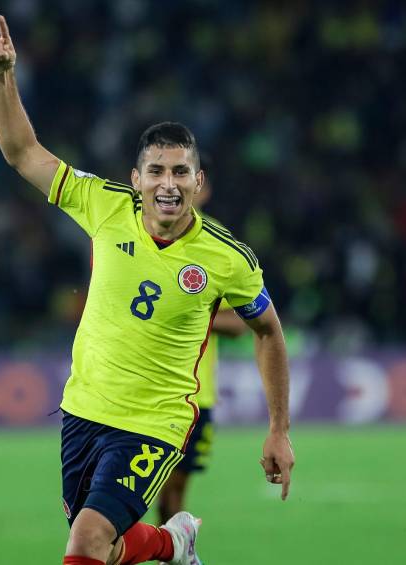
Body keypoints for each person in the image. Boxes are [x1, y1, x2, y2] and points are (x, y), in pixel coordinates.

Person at [0, 16, 294, 565]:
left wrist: (279, 430)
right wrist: (4, 78)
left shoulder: (227, 257)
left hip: (154, 422)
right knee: (102, 543)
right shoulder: (104, 205)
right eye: (155, 170)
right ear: (136, 177)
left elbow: (268, 329)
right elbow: (22, 153)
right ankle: (175, 542)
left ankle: (172, 539)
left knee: (83, 544)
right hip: (82, 408)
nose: (167, 183)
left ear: (198, 182)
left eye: (180, 172)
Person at [157, 158, 249, 525]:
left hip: (195, 394)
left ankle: (173, 552)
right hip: (140, 389)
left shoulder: (219, 245)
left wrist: (190, 311)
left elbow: (240, 323)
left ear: (203, 187)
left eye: (186, 178)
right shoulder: (137, 229)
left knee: (176, 490)